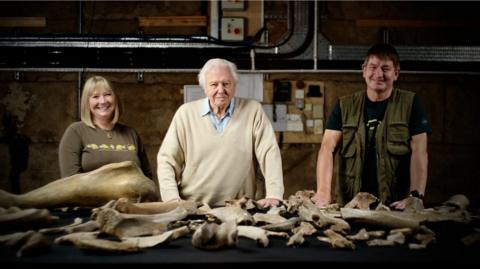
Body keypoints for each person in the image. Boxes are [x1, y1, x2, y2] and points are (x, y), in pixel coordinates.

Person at [312, 43, 432, 210]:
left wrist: (416, 195)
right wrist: (323, 191)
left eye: (385, 68)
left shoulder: (410, 104)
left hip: (394, 207)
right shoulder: (344, 106)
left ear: (396, 73)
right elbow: (327, 148)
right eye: (373, 67)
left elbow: (420, 151)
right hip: (350, 205)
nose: (378, 74)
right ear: (364, 70)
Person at [157, 58, 284, 208]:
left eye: (226, 84)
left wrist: (274, 195)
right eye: (214, 84)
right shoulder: (185, 113)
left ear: (235, 85)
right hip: (193, 207)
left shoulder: (253, 110)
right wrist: (171, 199)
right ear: (204, 87)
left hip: (240, 207)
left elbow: (270, 153)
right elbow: (167, 160)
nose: (220, 90)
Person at [59, 75, 152, 179]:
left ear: (115, 98)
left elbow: (147, 177)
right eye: (95, 96)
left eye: (107, 94)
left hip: (132, 195)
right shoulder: (75, 131)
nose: (103, 101)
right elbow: (69, 181)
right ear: (87, 102)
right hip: (90, 196)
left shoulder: (131, 133)